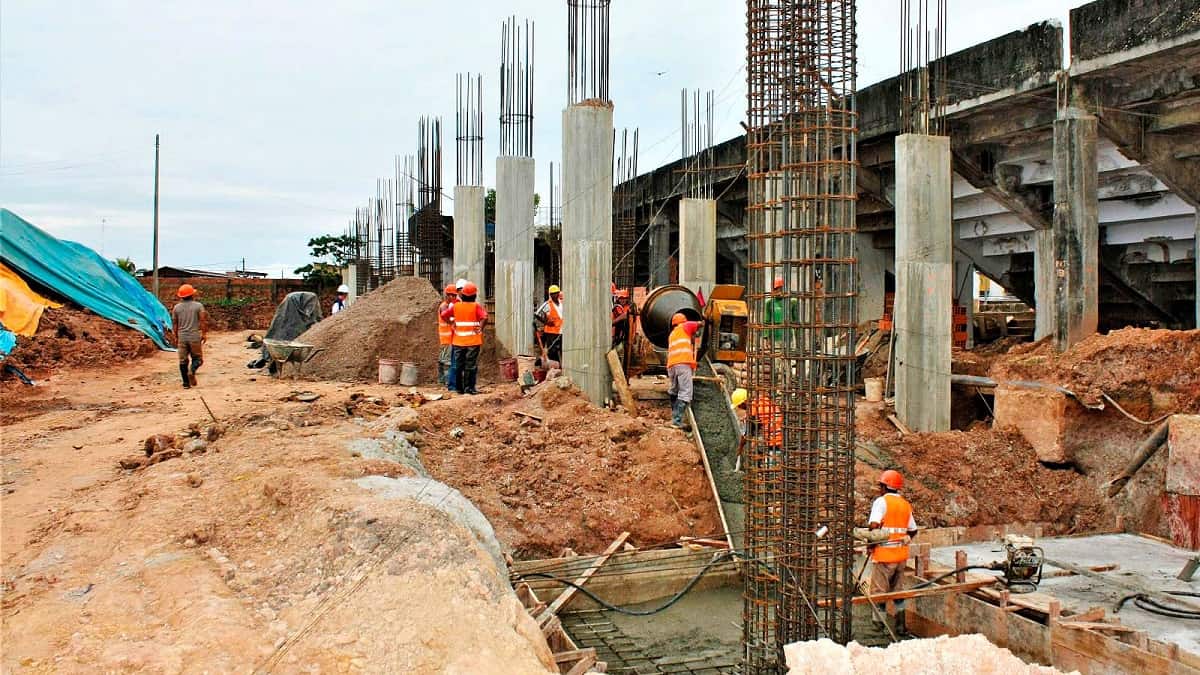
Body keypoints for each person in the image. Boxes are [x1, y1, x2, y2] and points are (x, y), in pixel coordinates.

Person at [867, 469, 919, 635]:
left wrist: (870, 544)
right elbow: (913, 530)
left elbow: (874, 526)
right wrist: (907, 539)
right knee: (898, 592)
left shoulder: (881, 502)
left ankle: (878, 625)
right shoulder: (905, 504)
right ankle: (900, 626)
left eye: (880, 485)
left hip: (884, 556)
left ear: (884, 486)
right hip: (901, 556)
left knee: (878, 592)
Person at [441, 281, 487, 395]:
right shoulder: (476, 306)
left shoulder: (456, 306)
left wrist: (451, 323)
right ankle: (469, 389)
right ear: (475, 296)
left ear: (462, 295)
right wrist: (480, 327)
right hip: (473, 341)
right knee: (470, 366)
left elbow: (443, 315)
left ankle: (459, 389)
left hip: (458, 341)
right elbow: (485, 317)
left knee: (458, 366)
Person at [731, 387, 783, 472]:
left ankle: (766, 475)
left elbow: (747, 434)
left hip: (775, 441)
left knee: (771, 471)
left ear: (744, 402)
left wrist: (740, 449)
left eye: (739, 405)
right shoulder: (762, 401)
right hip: (783, 435)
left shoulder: (753, 411)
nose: (740, 408)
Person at [666, 312, 702, 429]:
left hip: (672, 365)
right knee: (686, 392)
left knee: (674, 390)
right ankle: (676, 421)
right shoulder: (685, 326)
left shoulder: (672, 334)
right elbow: (699, 324)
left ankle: (674, 415)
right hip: (683, 363)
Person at [171, 284, 209, 389]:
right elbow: (202, 320)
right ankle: (192, 371)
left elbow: (174, 323)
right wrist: (204, 333)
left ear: (181, 296)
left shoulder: (176, 308)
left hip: (182, 337)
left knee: (183, 361)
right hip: (194, 336)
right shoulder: (198, 306)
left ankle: (186, 384)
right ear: (192, 295)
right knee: (198, 359)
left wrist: (175, 336)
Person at [763, 276, 799, 351]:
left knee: (788, 360)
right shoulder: (769, 302)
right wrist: (766, 338)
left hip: (788, 337)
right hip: (775, 337)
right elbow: (767, 321)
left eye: (780, 288)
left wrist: (798, 338)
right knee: (776, 360)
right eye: (775, 289)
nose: (778, 291)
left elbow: (796, 321)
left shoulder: (792, 301)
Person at [534, 284, 564, 365]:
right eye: (553, 293)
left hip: (561, 330)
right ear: (550, 295)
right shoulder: (547, 304)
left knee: (562, 349)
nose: (555, 295)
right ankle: (553, 367)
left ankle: (560, 366)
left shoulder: (562, 303)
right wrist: (546, 322)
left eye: (557, 293)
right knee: (552, 351)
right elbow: (537, 314)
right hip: (551, 332)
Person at [436, 284, 458, 386]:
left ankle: (441, 380)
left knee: (442, 359)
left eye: (455, 295)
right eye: (452, 295)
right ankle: (448, 382)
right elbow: (447, 319)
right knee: (447, 361)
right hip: (447, 338)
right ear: (447, 295)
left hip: (445, 338)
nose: (454, 297)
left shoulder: (447, 306)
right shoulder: (444, 306)